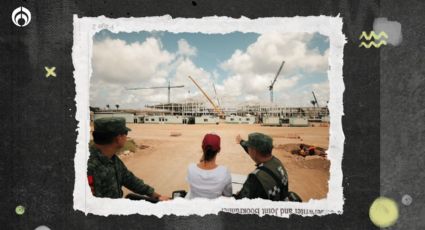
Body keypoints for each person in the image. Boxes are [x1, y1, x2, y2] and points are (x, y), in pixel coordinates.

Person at [87, 117, 169, 201]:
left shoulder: (111, 158)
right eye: (125, 133)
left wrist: (155, 195)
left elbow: (129, 179)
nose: (126, 136)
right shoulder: (89, 166)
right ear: (118, 138)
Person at [234, 133, 289, 201]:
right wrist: (241, 141)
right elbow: (256, 154)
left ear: (254, 152)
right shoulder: (276, 162)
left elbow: (240, 203)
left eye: (248, 147)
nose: (248, 149)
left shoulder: (256, 178)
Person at [186, 133, 232, 199]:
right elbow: (228, 194)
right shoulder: (224, 172)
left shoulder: (191, 168)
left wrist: (203, 158)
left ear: (202, 147)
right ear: (219, 150)